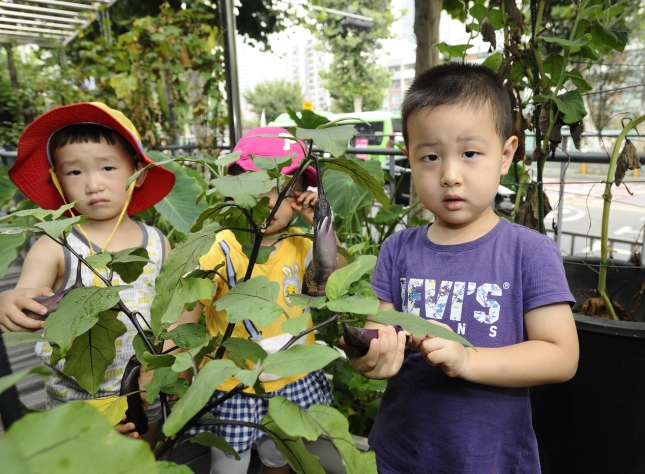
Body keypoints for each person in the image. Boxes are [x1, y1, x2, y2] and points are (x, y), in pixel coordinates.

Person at [342, 63, 580, 473]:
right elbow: (379, 331)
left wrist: (469, 361)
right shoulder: (398, 249)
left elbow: (560, 356)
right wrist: (367, 358)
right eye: (431, 157)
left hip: (489, 458)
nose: (450, 175)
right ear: (409, 159)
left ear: (506, 155)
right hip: (400, 453)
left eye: (470, 153)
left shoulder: (529, 252)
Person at [0, 102, 176, 446]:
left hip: (143, 391)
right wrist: (11, 302)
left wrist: (171, 357)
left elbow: (174, 308)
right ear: (57, 180)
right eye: (75, 172)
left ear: (137, 173)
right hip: (78, 403)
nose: (93, 184)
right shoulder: (54, 246)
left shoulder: (158, 242)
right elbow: (29, 295)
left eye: (108, 167)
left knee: (142, 455)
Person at [174, 127, 346, 474]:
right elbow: (187, 310)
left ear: (300, 196)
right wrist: (176, 363)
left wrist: (321, 225)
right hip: (232, 382)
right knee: (229, 462)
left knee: (279, 453)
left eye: (283, 191)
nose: (269, 201)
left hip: (290, 376)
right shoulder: (218, 245)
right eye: (257, 187)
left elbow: (334, 276)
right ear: (234, 189)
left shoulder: (300, 240)